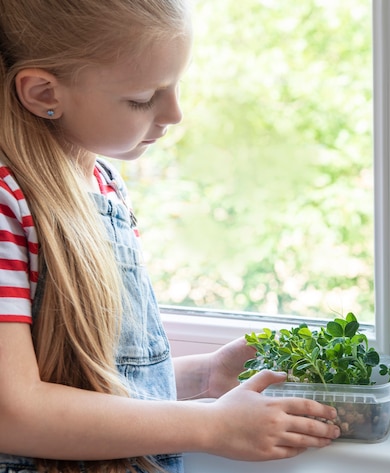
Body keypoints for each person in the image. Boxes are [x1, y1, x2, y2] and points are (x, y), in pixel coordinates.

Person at [0, 1, 340, 472]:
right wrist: (211, 427)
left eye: (176, 85)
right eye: (143, 98)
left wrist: (204, 375)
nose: (175, 113)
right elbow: (13, 413)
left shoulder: (101, 183)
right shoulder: (8, 205)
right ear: (42, 92)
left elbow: (97, 386)